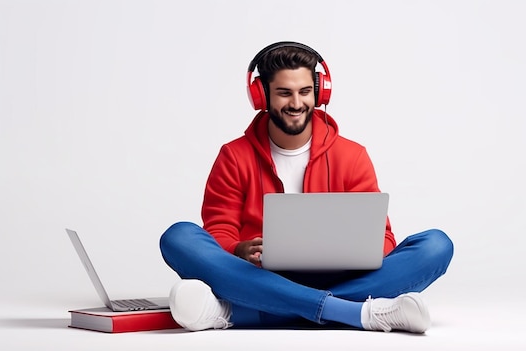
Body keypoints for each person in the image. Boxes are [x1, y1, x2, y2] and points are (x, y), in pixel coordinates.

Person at [159, 41, 453, 333]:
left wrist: (355, 251)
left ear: (319, 92)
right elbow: (218, 231)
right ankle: (357, 312)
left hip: (339, 277)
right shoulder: (234, 156)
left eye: (305, 92)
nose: (297, 103)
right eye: (284, 93)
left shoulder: (352, 155)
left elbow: (384, 239)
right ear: (261, 96)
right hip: (259, 275)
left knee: (436, 245)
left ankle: (243, 311)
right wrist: (238, 249)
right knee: (179, 237)